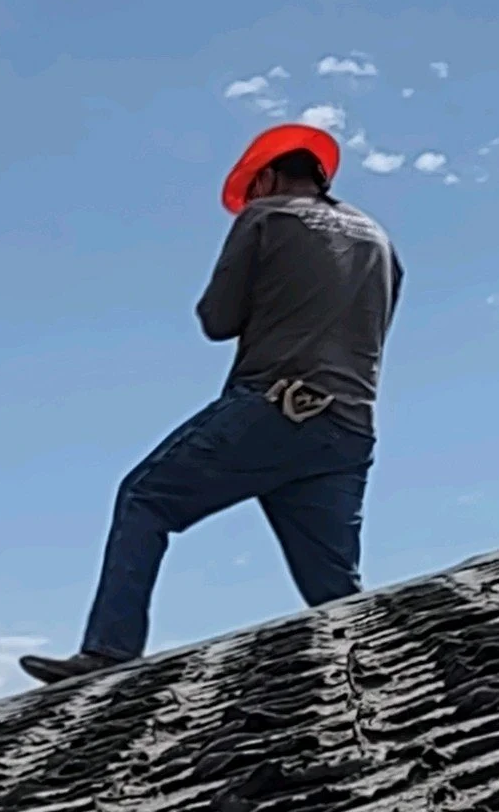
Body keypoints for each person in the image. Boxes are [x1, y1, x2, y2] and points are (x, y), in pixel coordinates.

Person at [20, 123, 402, 685]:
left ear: (269, 176)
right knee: (334, 588)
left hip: (272, 408)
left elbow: (216, 320)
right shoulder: (382, 244)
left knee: (144, 499)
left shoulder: (267, 218)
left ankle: (111, 651)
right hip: (349, 428)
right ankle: (385, 669)